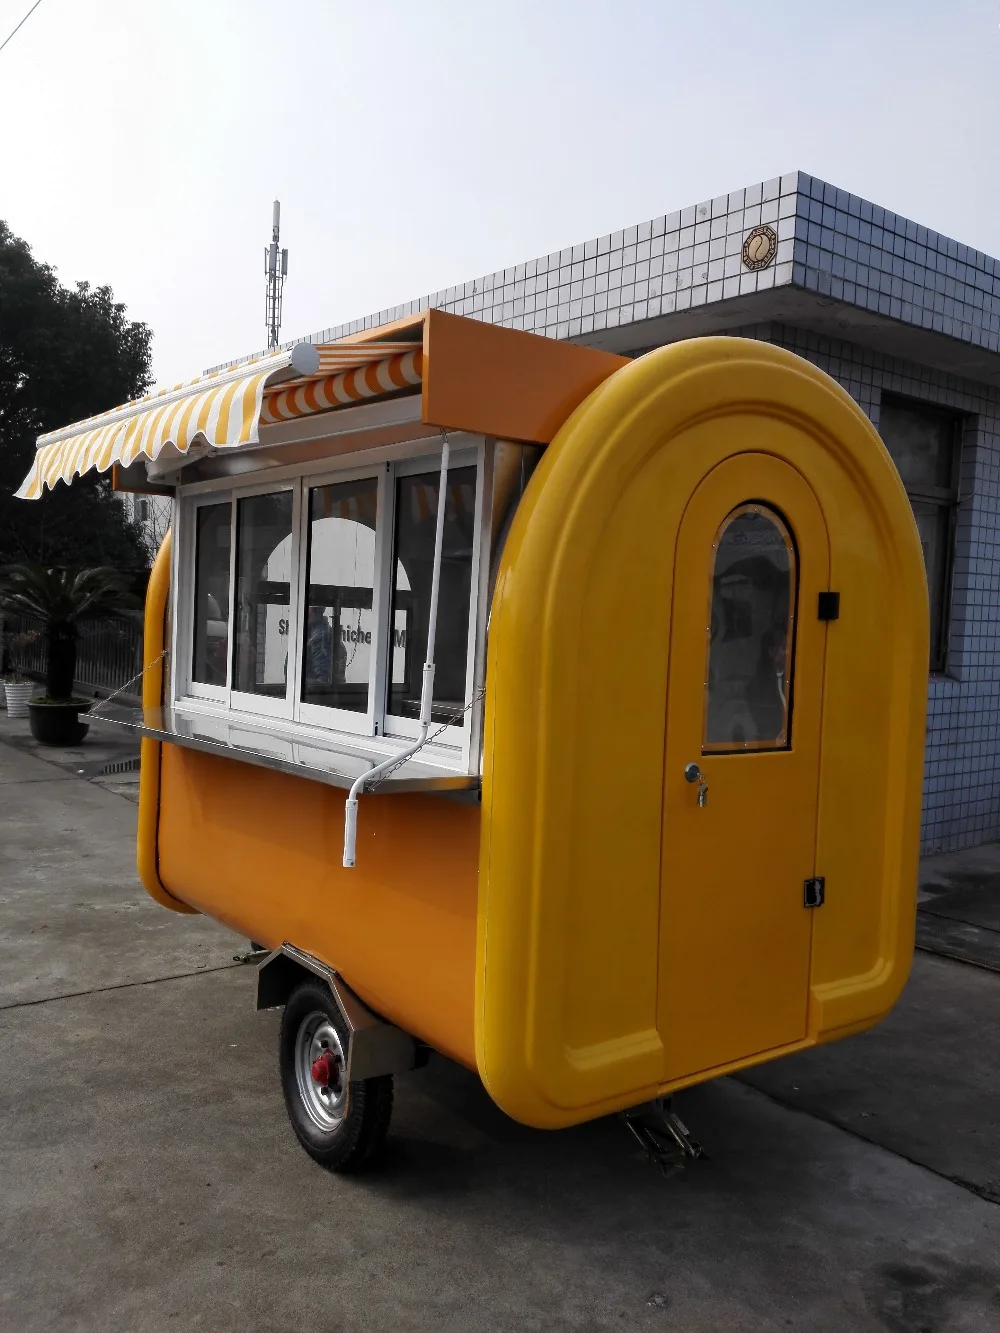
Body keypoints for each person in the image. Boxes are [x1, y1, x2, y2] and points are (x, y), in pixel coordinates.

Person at [746, 621, 789, 742]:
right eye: (784, 647)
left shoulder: (796, 680)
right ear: (771, 651)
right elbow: (759, 726)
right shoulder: (755, 688)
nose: (789, 652)